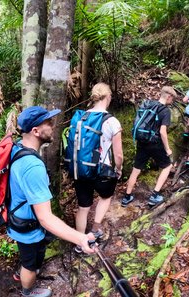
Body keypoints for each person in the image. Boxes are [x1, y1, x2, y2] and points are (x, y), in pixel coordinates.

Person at [9, 106, 95, 297]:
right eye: (48, 123)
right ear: (35, 131)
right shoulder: (32, 166)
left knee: (31, 257)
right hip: (27, 226)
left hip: (20, 216)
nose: (53, 125)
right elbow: (46, 218)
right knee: (30, 265)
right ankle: (27, 292)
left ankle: (24, 270)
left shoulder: (18, 147)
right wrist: (80, 238)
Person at [73, 83, 123, 253]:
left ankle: (80, 242)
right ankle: (94, 230)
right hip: (102, 170)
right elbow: (118, 155)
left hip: (81, 168)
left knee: (83, 207)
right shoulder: (112, 121)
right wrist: (119, 169)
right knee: (105, 197)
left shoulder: (81, 117)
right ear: (108, 97)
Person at [121, 86, 177, 208]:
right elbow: (162, 132)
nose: (172, 102)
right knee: (167, 166)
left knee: (136, 169)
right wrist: (167, 149)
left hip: (142, 142)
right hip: (155, 144)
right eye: (172, 99)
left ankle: (127, 197)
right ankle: (154, 195)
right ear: (168, 97)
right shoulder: (165, 111)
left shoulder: (149, 104)